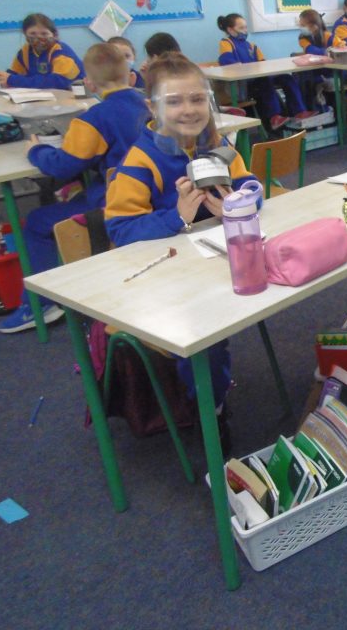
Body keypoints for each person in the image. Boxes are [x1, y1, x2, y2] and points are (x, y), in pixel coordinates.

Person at [104, 54, 259, 451]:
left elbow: (253, 185)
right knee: (206, 336)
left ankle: (211, 391)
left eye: (197, 99)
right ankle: (212, 410)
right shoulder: (141, 160)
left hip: (213, 263)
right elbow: (120, 229)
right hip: (161, 278)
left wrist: (239, 202)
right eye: (174, 101)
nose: (188, 110)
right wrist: (175, 216)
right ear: (152, 106)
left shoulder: (218, 144)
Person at [0, 43, 149, 333]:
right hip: (154, 196)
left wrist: (36, 150)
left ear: (89, 83)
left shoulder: (94, 118)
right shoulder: (149, 104)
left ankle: (41, 304)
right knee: (77, 193)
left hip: (116, 203)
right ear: (131, 77)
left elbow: (62, 166)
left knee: (38, 221)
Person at [216, 12, 309, 131]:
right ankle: (274, 117)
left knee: (287, 78)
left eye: (246, 27)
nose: (245, 31)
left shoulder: (252, 46)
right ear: (230, 30)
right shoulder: (226, 43)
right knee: (264, 80)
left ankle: (300, 112)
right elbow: (226, 60)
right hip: (245, 85)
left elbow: (263, 64)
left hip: (259, 79)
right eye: (241, 28)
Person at [0, 12, 85, 90]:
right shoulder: (25, 52)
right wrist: (5, 80)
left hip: (75, 96)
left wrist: (13, 80)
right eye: (32, 34)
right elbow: (15, 74)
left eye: (44, 34)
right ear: (25, 34)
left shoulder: (61, 52)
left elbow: (57, 82)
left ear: (54, 35)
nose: (38, 38)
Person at [297, 9, 332, 108]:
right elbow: (311, 50)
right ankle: (312, 109)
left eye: (303, 25)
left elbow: (339, 47)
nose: (300, 27)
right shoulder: (302, 38)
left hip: (329, 70)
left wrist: (329, 52)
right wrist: (326, 52)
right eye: (300, 25)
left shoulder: (327, 35)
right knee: (303, 78)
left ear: (314, 26)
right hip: (314, 70)